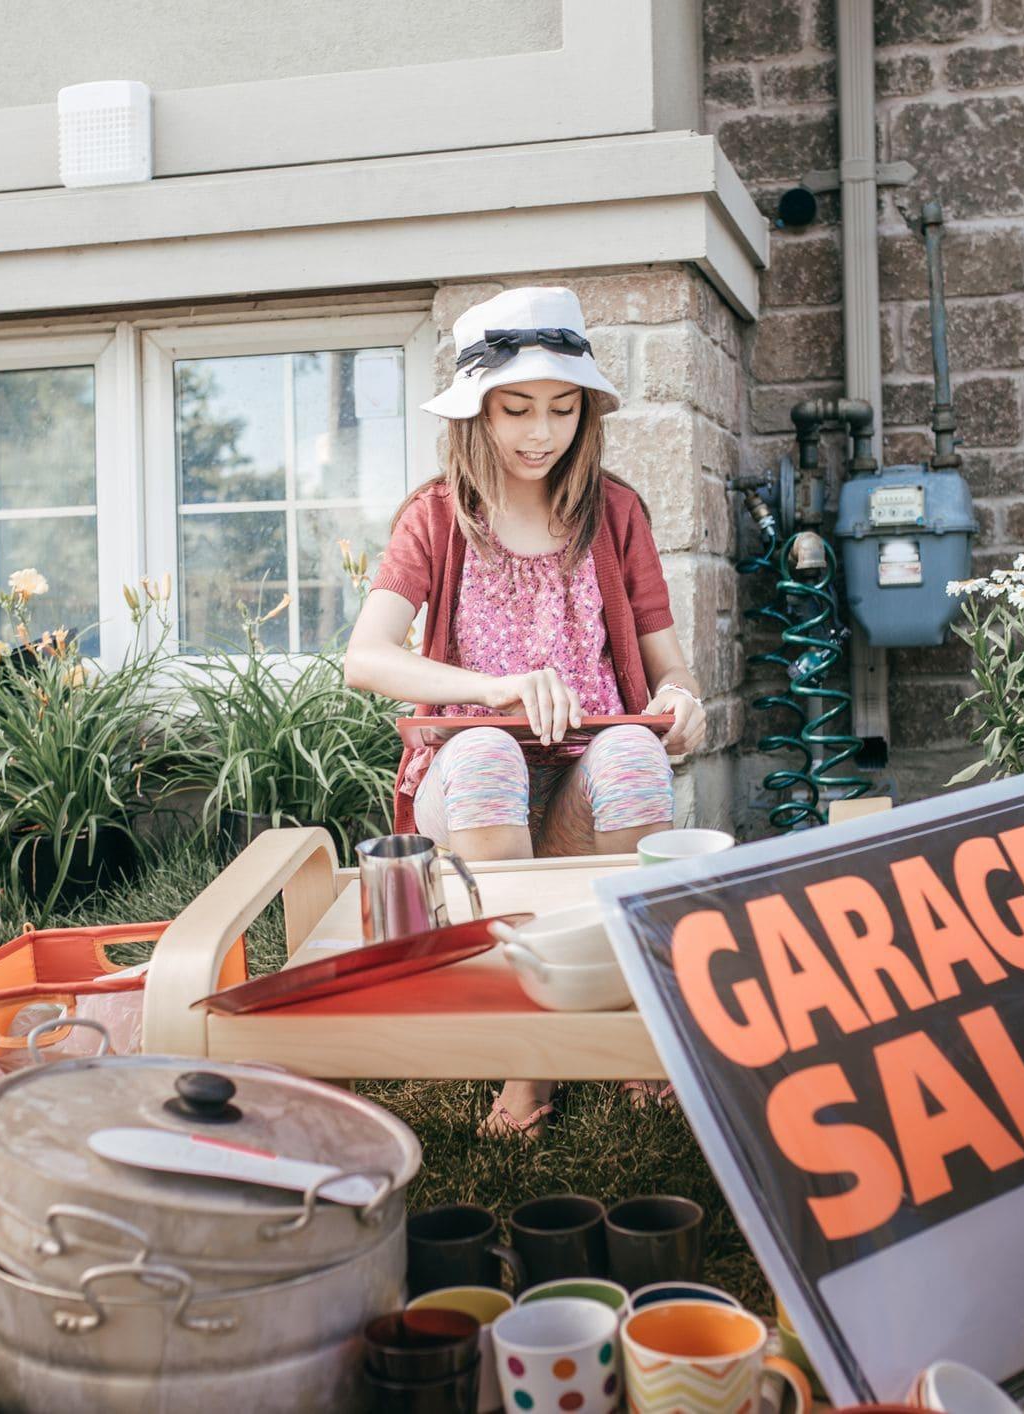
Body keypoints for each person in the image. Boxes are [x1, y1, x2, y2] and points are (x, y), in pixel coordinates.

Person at [344, 286, 707, 1141]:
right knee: (482, 756)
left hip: (587, 785)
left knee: (628, 753)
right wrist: (493, 688)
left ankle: (622, 1032)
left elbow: (669, 666)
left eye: (561, 407)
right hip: (474, 791)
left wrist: (681, 702)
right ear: (476, 412)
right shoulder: (435, 516)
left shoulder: (614, 512)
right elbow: (366, 659)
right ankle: (529, 1055)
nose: (540, 432)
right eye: (516, 409)